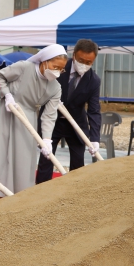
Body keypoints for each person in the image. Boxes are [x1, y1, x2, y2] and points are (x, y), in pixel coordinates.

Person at [0, 44, 66, 195]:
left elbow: (49, 115)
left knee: (23, 161)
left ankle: (20, 197)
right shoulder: (24, 67)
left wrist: (47, 139)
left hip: (28, 121)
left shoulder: (56, 88)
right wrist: (7, 95)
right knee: (1, 156)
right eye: (55, 66)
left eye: (61, 69)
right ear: (44, 61)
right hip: (7, 113)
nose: (57, 72)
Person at [35, 39, 101, 183]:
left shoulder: (94, 81)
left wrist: (95, 138)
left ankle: (74, 192)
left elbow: (94, 110)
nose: (84, 64)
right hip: (52, 121)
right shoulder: (59, 67)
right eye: (81, 60)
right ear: (74, 55)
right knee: (46, 159)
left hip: (76, 124)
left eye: (88, 62)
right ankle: (41, 190)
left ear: (94, 60)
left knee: (78, 164)